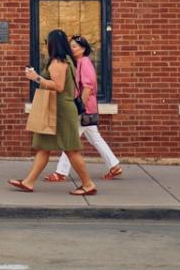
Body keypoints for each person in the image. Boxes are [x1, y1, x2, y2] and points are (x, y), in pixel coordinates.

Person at [7, 29, 98, 195]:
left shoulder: (58, 62)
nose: (45, 45)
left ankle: (88, 184)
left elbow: (58, 87)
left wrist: (36, 77)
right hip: (55, 109)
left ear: (52, 44)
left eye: (46, 42)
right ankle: (28, 182)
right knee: (43, 147)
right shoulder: (67, 60)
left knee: (71, 149)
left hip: (61, 111)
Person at [44, 35, 122, 182]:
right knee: (95, 138)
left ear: (83, 49)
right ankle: (114, 165)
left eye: (74, 47)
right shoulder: (78, 62)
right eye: (70, 46)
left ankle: (61, 172)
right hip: (86, 107)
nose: (71, 49)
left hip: (83, 107)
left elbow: (87, 87)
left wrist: (79, 106)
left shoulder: (84, 62)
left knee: (70, 140)